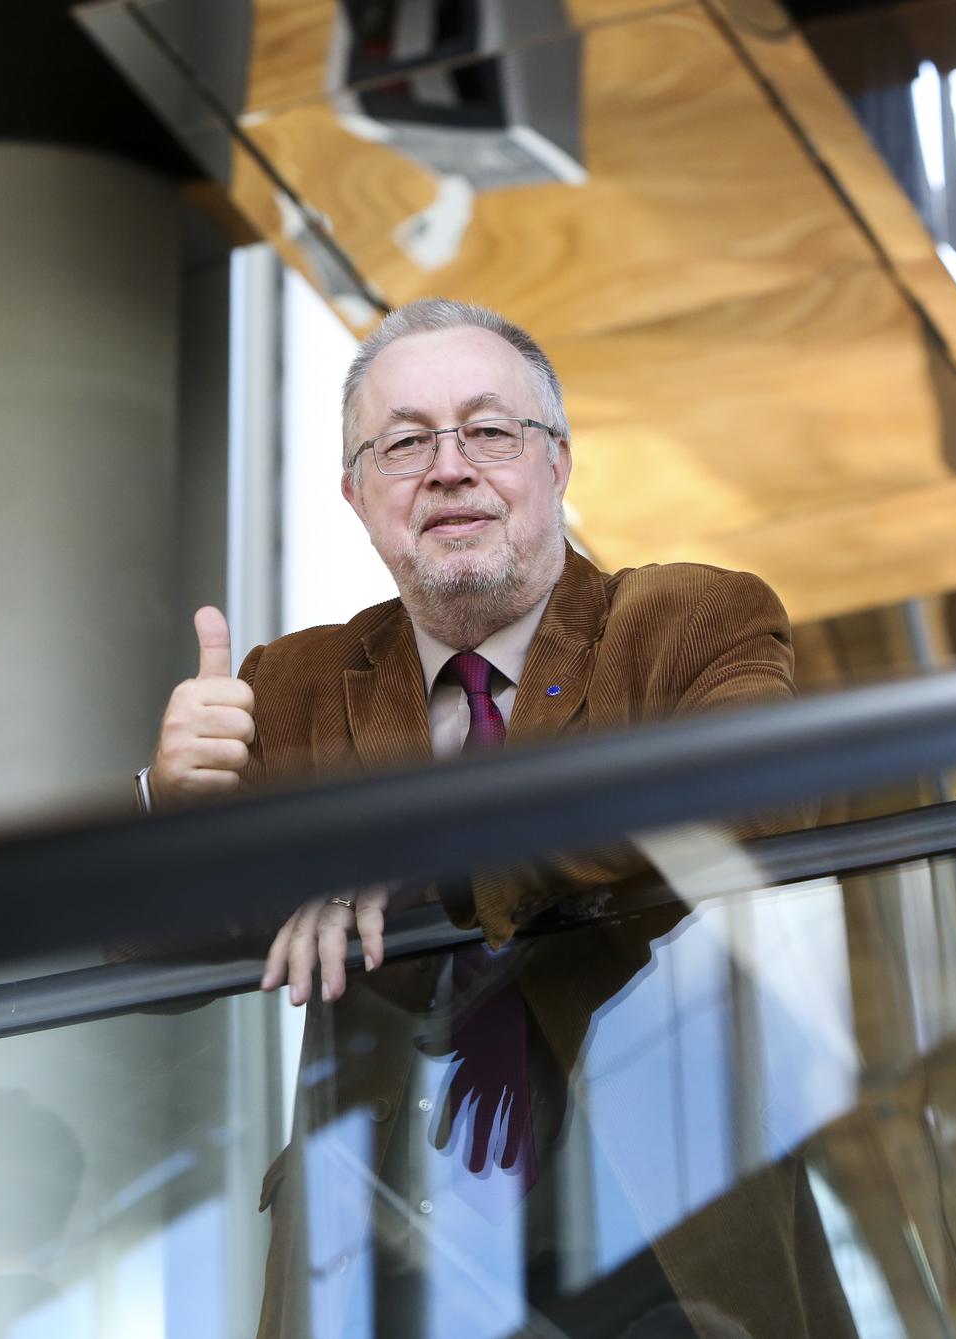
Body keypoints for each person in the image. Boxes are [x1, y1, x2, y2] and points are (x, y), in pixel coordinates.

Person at [142, 300, 851, 1338]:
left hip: (662, 1276)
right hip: (380, 1283)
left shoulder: (685, 624)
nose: (447, 466)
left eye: (487, 430)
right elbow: (158, 959)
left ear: (556, 463)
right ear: (355, 495)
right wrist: (171, 799)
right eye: (403, 442)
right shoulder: (287, 687)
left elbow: (748, 798)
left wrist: (417, 852)